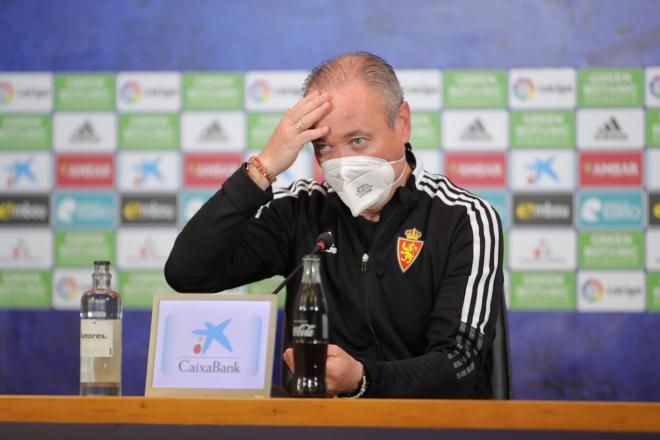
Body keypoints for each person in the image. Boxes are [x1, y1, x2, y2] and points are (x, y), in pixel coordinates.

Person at [165, 52, 504, 398]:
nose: (342, 163)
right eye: (324, 147)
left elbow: (458, 362)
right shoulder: (301, 209)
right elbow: (188, 273)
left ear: (402, 122)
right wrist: (262, 168)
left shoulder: (464, 218)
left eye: (358, 141)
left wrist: (363, 379)